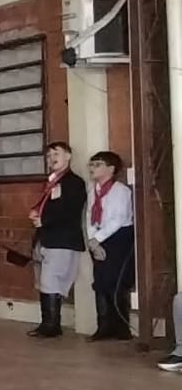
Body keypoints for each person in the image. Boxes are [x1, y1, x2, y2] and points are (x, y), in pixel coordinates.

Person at [28, 142, 86, 339]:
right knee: (45, 281)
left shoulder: (73, 182)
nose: (51, 158)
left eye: (56, 154)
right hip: (47, 238)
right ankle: (48, 322)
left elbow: (69, 210)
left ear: (68, 156)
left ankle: (51, 325)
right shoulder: (51, 182)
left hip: (62, 239)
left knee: (52, 281)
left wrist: (44, 219)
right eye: (48, 155)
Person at [86, 150, 135, 343]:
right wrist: (92, 240)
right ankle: (103, 326)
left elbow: (118, 218)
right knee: (100, 282)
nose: (92, 168)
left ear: (111, 169)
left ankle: (121, 328)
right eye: (91, 164)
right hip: (98, 239)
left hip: (118, 238)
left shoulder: (121, 191)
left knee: (117, 282)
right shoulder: (93, 192)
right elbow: (89, 217)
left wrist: (98, 238)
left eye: (97, 164)